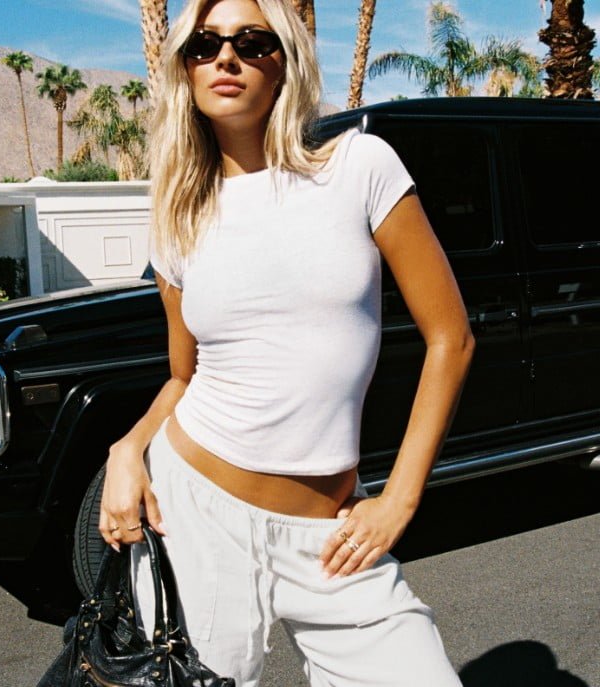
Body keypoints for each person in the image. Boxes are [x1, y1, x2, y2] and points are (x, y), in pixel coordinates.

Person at [98, 0, 473, 685]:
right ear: (184, 67)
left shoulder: (359, 166)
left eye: (251, 40)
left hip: (331, 534)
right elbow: (185, 376)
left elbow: (451, 337)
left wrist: (400, 500)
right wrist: (127, 449)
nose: (226, 58)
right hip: (198, 515)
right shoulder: (178, 215)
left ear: (286, 61)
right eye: (205, 44)